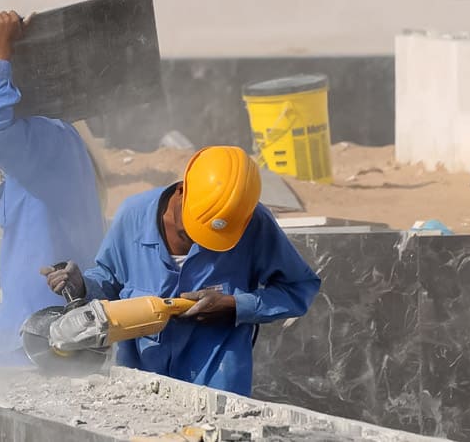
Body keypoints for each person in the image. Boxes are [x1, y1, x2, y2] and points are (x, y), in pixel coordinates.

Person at [44, 146, 320, 396]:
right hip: (139, 386)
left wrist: (236, 305)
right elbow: (109, 281)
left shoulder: (253, 224)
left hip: (217, 387)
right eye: (193, 231)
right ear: (181, 191)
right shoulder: (133, 217)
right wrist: (82, 286)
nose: (200, 242)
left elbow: (299, 288)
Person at [0, 10, 104, 365]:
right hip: (45, 336)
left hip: (43, 342)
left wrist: (2, 44)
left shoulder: (44, 140)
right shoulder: (54, 143)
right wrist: (10, 268)